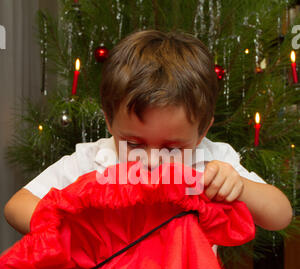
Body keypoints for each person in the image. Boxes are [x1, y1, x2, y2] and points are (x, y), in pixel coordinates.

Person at [4, 29, 292, 237]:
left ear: (202, 131)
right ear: (109, 121)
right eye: (133, 143)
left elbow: (280, 214)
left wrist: (238, 186)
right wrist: (76, 228)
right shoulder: (97, 160)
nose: (152, 160)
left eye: (173, 147)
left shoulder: (211, 163)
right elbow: (18, 207)